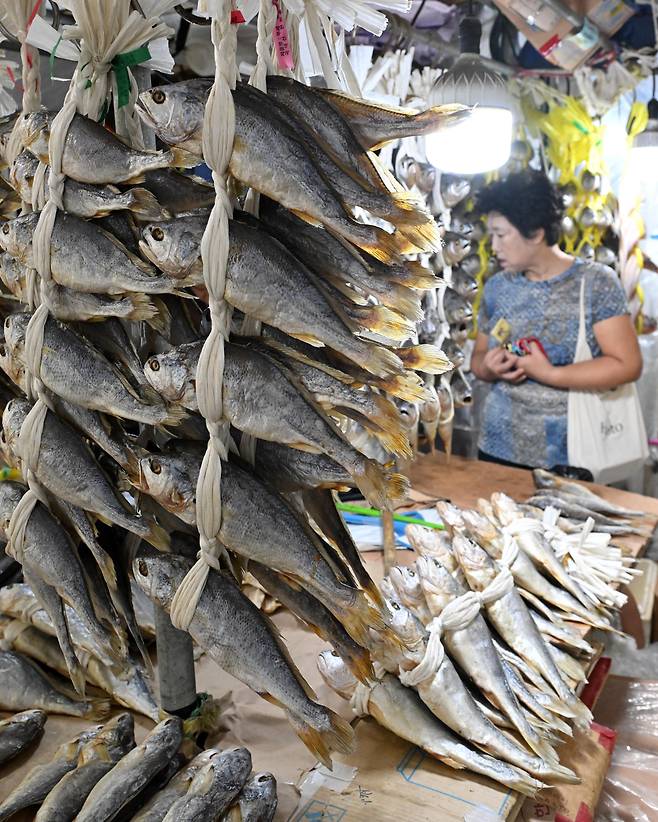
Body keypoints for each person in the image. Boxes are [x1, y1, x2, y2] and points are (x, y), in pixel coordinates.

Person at [470, 169, 642, 470]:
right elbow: (478, 361)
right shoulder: (498, 286)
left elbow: (627, 365)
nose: (494, 247)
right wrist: (488, 366)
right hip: (497, 450)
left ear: (535, 233)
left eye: (501, 234)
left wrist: (551, 374)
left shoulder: (595, 283)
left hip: (571, 456)